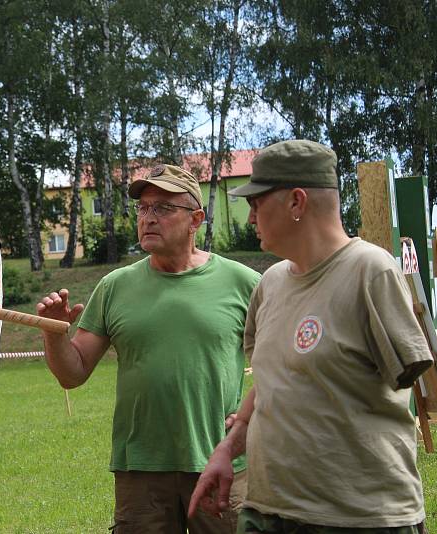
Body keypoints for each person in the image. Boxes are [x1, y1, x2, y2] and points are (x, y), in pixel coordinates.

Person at [188, 140, 433, 533]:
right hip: (268, 513)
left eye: (256, 204)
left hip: (356, 518)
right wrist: (227, 448)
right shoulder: (270, 283)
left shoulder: (369, 271)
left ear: (296, 202)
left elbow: (413, 385)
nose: (251, 219)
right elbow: (273, 382)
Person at [36, 164, 261, 533]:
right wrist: (54, 334)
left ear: (196, 219)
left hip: (221, 463)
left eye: (163, 208)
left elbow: (279, 369)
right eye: (143, 208)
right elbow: (73, 373)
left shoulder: (244, 283)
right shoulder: (115, 286)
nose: (148, 218)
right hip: (140, 469)